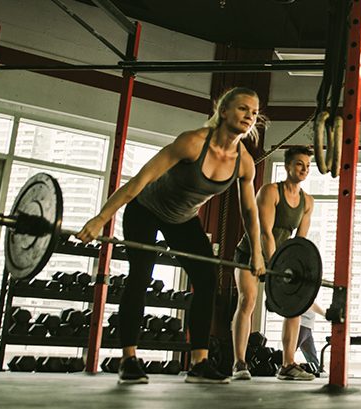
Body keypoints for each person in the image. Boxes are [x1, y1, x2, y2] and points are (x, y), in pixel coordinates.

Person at [76, 87, 267, 385]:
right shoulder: (192, 143)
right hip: (146, 209)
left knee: (206, 278)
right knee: (141, 274)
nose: (249, 117)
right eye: (243, 108)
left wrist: (257, 252)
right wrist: (102, 218)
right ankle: (129, 359)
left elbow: (250, 213)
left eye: (254, 113)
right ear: (224, 109)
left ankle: (199, 364)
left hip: (183, 219)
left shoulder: (244, 162)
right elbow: (140, 181)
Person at [231, 145, 315, 381]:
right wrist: (273, 269)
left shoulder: (307, 201)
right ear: (288, 166)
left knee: (294, 307)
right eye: (299, 164)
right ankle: (239, 362)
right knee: (247, 301)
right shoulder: (270, 192)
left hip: (282, 259)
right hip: (250, 252)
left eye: (308, 166)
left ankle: (288, 364)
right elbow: (265, 233)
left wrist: (293, 271)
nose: (304, 169)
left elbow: (300, 242)